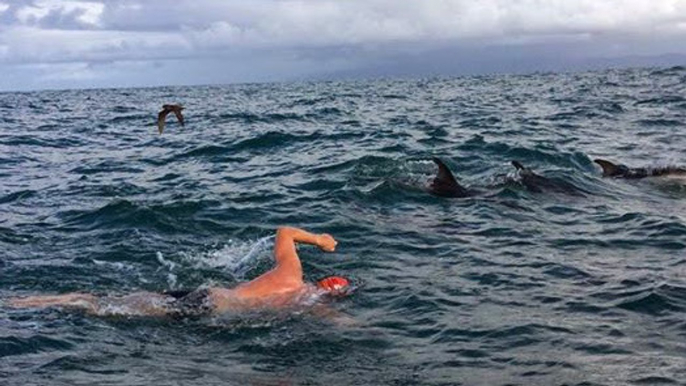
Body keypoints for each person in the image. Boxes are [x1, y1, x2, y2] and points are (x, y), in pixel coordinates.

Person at [8, 227, 351, 317]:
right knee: (110, 309)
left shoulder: (291, 272)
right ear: (325, 292)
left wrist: (319, 240)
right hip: (208, 308)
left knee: (113, 301)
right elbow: (344, 325)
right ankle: (28, 305)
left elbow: (285, 231)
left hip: (207, 293)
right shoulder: (305, 301)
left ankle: (28, 302)